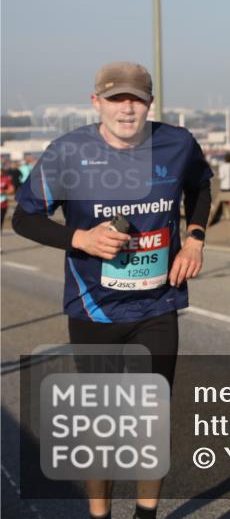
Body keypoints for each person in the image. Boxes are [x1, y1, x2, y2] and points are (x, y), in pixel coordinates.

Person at [12, 61, 213, 519]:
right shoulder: (67, 152)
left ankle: (146, 514)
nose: (127, 108)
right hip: (95, 311)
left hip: (157, 305)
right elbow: (24, 217)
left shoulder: (177, 144)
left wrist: (196, 238)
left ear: (150, 103)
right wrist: (79, 239)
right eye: (116, 98)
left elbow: (200, 187)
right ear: (96, 102)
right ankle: (99, 514)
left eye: (136, 99)